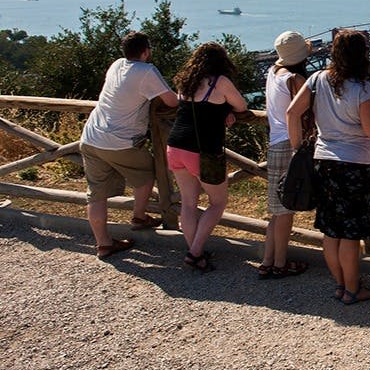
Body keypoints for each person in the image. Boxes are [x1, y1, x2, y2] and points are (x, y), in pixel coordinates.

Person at [287, 29, 370, 305]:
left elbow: (292, 113)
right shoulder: (363, 88)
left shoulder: (317, 79)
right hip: (354, 165)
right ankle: (354, 290)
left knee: (331, 230)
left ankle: (341, 285)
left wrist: (298, 149)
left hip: (324, 161)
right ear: (362, 54)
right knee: (350, 233)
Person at [80, 31, 178, 259]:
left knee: (95, 194)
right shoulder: (146, 71)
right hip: (120, 141)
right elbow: (172, 101)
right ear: (146, 51)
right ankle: (139, 216)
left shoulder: (116, 65)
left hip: (91, 136)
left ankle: (103, 244)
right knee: (148, 172)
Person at [166, 42, 248, 272]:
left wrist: (222, 111)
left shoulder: (186, 81)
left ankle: (196, 251)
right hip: (202, 150)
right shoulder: (219, 82)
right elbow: (241, 105)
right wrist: (227, 111)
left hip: (175, 146)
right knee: (218, 202)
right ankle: (194, 253)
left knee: (189, 203)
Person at [258, 30, 313, 280]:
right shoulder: (295, 80)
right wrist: (298, 148)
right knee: (285, 211)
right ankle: (280, 264)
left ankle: (267, 261)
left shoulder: (273, 72)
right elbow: (306, 111)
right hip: (289, 146)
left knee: (276, 211)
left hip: (274, 144)